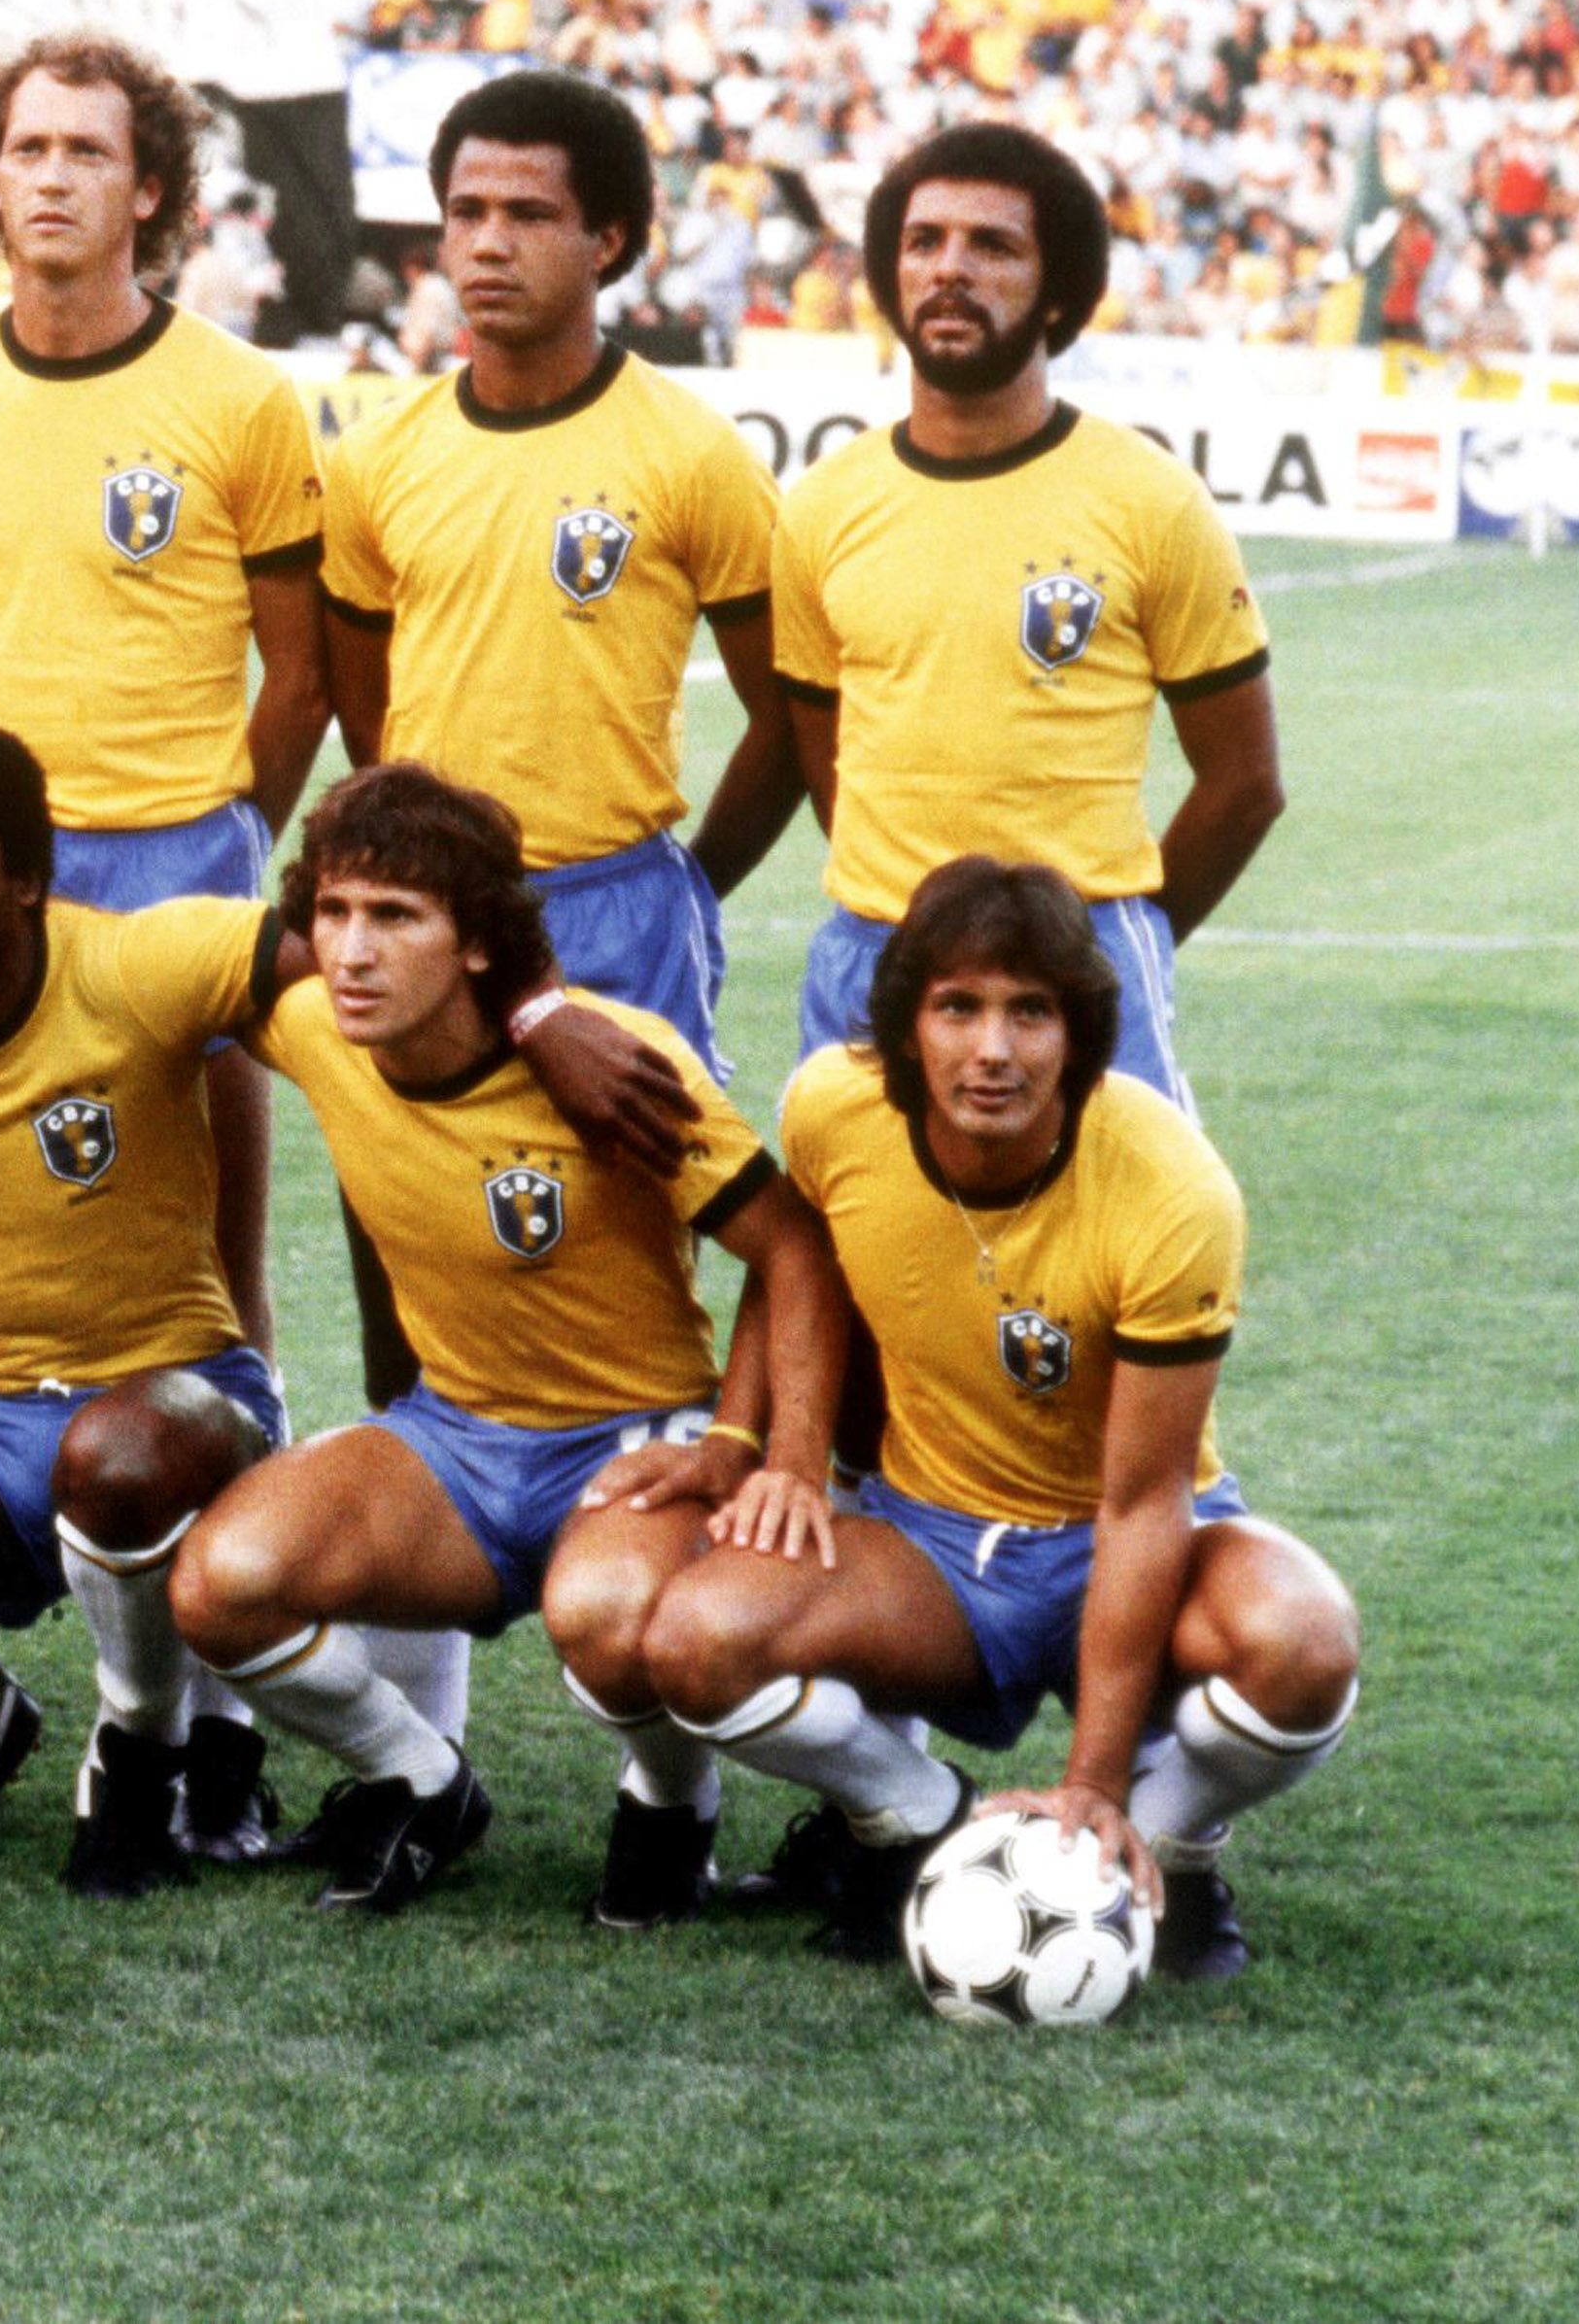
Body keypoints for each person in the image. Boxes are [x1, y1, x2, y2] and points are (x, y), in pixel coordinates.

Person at [0, 720, 704, 1893]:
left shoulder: (144, 962)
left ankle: (138, 1739)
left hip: (176, 1409)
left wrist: (545, 1014)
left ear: (27, 877)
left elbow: (419, 923)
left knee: (117, 1453)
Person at [628, 861, 1360, 1974]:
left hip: (1130, 1532)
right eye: (957, 1006)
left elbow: (1145, 1495)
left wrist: (1095, 1786)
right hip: (932, 1542)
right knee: (693, 1640)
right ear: (905, 1021)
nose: (992, 1049)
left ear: (1079, 1030)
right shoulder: (833, 1105)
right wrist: (767, 1448)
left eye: (1031, 1010)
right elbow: (796, 1266)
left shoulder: (1172, 1189)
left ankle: (1171, 1844)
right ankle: (918, 1817)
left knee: (1303, 1644)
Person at [167, 766, 847, 1924]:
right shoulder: (311, 1029)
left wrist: (751, 1445)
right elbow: (171, 973)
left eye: (395, 916)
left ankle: (670, 1808)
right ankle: (423, 1781)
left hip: (635, 1439)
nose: (350, 950)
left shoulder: (619, 1061)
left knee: (605, 1622)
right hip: (456, 1438)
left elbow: (795, 1253)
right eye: (332, 912)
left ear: (478, 941)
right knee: (220, 1585)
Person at [0, 30, 329, 1367]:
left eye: (90, 151)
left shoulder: (241, 396)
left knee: (202, 1235)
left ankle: (248, 1421)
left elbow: (299, 677)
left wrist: (222, 827)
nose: (54, 177)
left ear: (150, 192)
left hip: (176, 849)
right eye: (29, 149)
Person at [772, 122, 1288, 1109]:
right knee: (854, 1258)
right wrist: (918, 915)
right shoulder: (822, 505)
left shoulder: (1151, 500)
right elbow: (823, 750)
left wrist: (1103, 947)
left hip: (1077, 955)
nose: (948, 269)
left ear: (1057, 291)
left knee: (1107, 1262)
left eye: (991, 245)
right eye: (923, 243)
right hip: (871, 952)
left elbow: (1244, 779)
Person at [320, 73, 796, 1066]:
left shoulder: (694, 453)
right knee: (409, 1204)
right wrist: (425, 855)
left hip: (616, 904)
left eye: (530, 214)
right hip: (430, 912)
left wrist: (691, 883)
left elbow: (785, 713)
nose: (489, 243)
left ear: (607, 241)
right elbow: (364, 703)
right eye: (468, 213)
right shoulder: (375, 457)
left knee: (630, 1215)